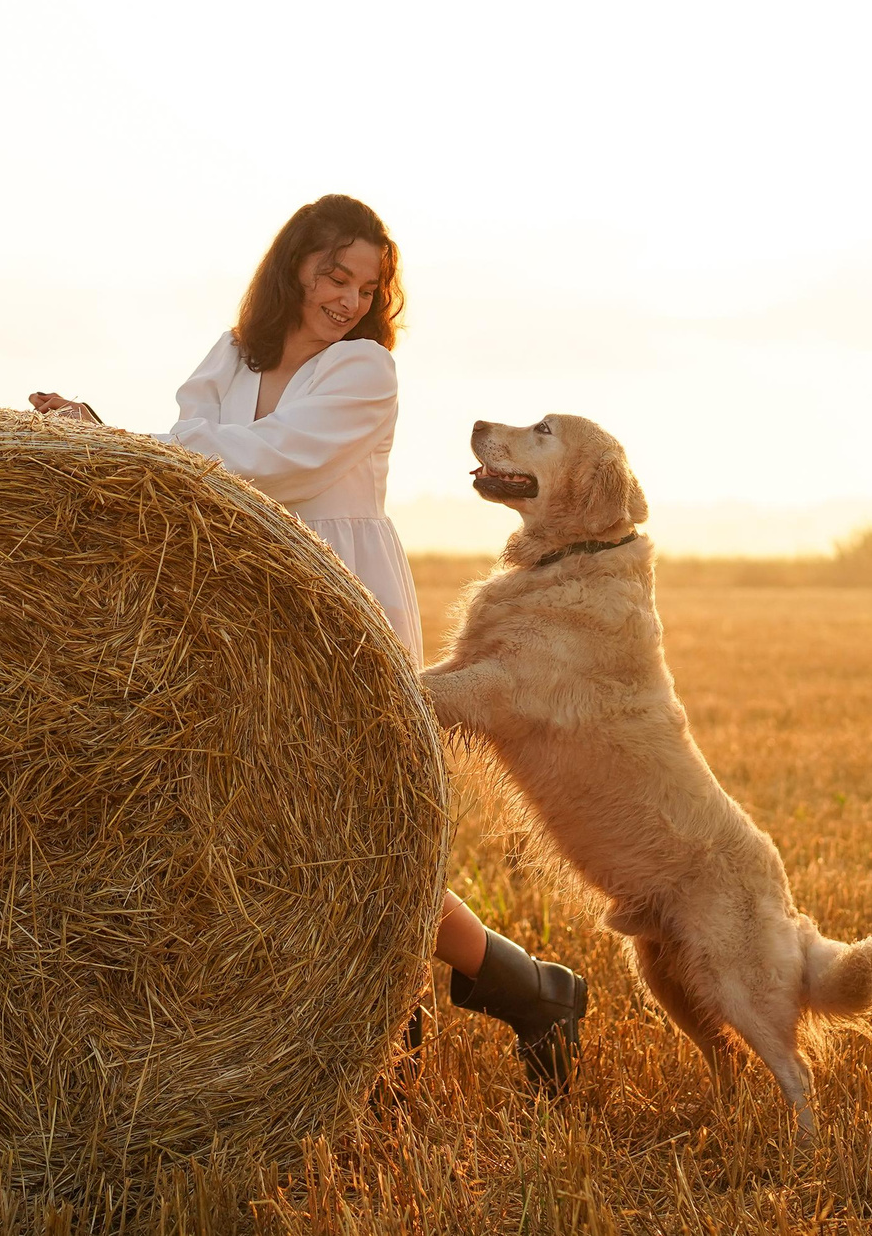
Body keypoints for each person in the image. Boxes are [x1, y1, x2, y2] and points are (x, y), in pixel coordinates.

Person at [30, 193, 589, 1090]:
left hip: (341, 600)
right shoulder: (233, 353)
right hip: (243, 598)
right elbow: (196, 450)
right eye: (336, 275)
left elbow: (267, 461)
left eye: (366, 286)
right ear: (295, 263)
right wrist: (102, 434)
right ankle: (501, 997)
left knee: (362, 832)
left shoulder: (364, 369)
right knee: (272, 830)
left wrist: (125, 440)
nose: (349, 299)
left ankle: (493, 1000)